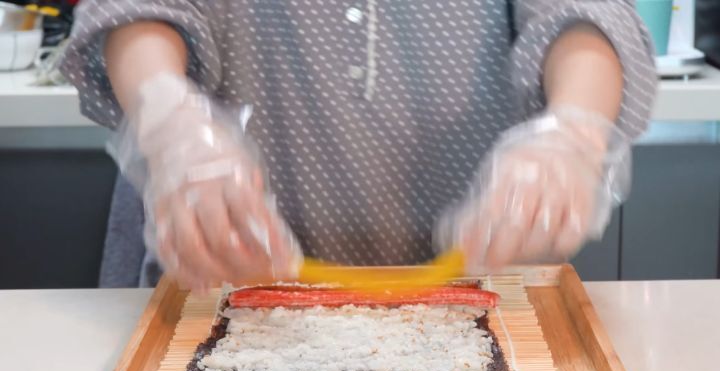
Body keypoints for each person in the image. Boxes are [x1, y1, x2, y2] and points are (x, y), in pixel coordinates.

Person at [61, 0, 657, 291]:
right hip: (220, 282)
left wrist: (573, 133)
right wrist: (170, 121)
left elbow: (585, 11)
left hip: (478, 286)